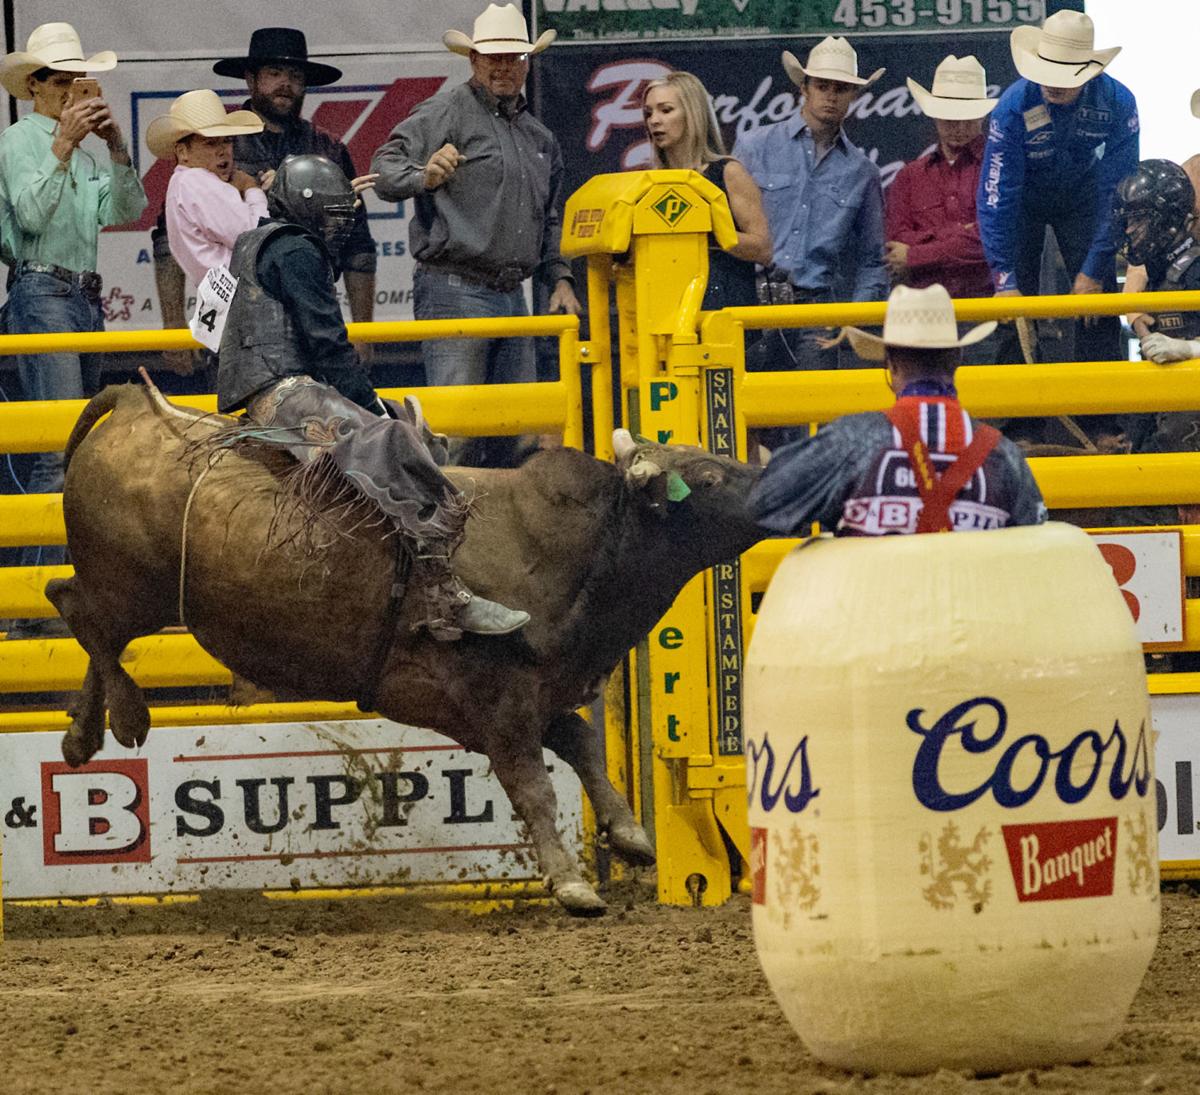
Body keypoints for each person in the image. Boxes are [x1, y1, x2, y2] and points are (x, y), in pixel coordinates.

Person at [218, 154, 528, 640]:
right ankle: (444, 594)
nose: (339, 228)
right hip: (285, 390)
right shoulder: (296, 251)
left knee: (397, 428)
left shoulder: (257, 241)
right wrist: (371, 405)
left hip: (265, 385)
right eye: (333, 215)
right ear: (308, 210)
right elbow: (328, 343)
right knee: (392, 441)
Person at [371, 3, 581, 465]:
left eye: (514, 57)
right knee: (456, 434)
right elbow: (384, 169)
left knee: (520, 434)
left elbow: (548, 218)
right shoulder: (447, 109)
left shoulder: (539, 137)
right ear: (474, 61)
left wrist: (560, 276)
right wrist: (424, 177)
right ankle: (442, 535)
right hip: (454, 286)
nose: (505, 66)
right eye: (494, 57)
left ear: (527, 62)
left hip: (511, 295)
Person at [0, 22, 147, 640]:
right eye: (58, 82)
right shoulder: (17, 141)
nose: (70, 93)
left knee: (74, 456)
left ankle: (48, 604)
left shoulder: (82, 153)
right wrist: (63, 147)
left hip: (78, 298)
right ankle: (33, 612)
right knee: (57, 454)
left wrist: (115, 148)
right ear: (33, 86)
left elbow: (128, 211)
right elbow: (28, 217)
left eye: (76, 83)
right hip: (43, 291)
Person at [155, 27, 379, 373]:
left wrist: (364, 330)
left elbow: (359, 244)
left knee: (318, 419)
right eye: (274, 73)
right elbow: (168, 240)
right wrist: (172, 324)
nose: (285, 84)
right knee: (235, 414)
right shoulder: (215, 147)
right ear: (250, 79)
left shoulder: (328, 149)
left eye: (295, 75)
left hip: (314, 302)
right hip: (233, 305)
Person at [749, 284, 1046, 537]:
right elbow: (1033, 542)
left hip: (877, 602)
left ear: (889, 364)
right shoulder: (1003, 455)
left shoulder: (850, 442)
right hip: (968, 602)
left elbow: (765, 502)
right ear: (957, 358)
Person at [977, 10, 1138, 369]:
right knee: (1012, 307)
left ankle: (1100, 420)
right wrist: (1003, 277)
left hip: (1083, 195)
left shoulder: (1117, 101)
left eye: (1065, 77)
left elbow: (1118, 189)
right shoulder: (1013, 107)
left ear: (1088, 72)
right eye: (1047, 73)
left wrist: (1095, 268)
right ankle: (1019, 425)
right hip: (1022, 200)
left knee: (1098, 303)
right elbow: (997, 195)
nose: (1054, 84)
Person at [732, 36, 888, 375]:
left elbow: (873, 258)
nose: (831, 95)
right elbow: (727, 229)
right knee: (750, 417)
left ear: (853, 95)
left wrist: (856, 319)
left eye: (841, 88)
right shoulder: (754, 146)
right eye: (822, 85)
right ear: (805, 87)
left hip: (816, 311)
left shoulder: (862, 172)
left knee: (811, 419)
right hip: (753, 304)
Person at [886, 55, 996, 363]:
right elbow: (896, 243)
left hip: (982, 313)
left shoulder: (1000, 169)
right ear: (935, 116)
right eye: (949, 117)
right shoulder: (909, 177)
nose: (958, 127)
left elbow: (991, 238)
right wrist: (961, 235)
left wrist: (919, 253)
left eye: (966, 117)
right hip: (926, 317)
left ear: (981, 118)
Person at [641, 71, 771, 311]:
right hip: (666, 311)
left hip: (724, 308)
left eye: (666, 110)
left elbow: (763, 248)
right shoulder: (651, 184)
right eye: (649, 113)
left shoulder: (728, 172)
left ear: (693, 115)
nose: (654, 120)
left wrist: (710, 227)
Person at [1113, 160, 1200, 455]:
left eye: (1138, 220)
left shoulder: (1195, 269)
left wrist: (1188, 350)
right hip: (1164, 413)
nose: (1129, 229)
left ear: (1166, 219)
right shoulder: (1161, 270)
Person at [146, 89, 267, 288]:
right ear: (183, 151)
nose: (223, 151)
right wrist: (252, 189)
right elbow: (254, 239)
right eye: (210, 143)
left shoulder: (181, 183)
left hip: (219, 295)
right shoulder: (197, 180)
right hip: (243, 296)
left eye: (227, 140)